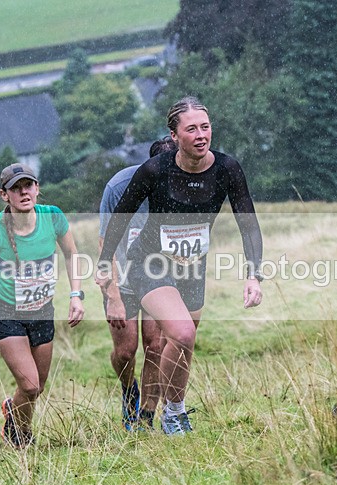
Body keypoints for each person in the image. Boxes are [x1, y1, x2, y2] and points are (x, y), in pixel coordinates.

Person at [97, 96, 264, 435]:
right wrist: (104, 266)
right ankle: (175, 414)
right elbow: (118, 220)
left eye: (205, 127)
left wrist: (253, 275)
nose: (201, 135)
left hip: (191, 266)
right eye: (191, 129)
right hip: (149, 263)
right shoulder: (154, 170)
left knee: (183, 344)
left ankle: (168, 411)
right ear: (174, 135)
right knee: (181, 332)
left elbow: (248, 223)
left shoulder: (227, 169)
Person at [0, 163, 84, 449]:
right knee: (30, 385)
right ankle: (20, 438)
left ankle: (17, 430)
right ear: (4, 195)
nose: (24, 192)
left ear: (37, 188)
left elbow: (72, 254)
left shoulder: (53, 217)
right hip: (5, 311)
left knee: (38, 387)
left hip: (42, 310)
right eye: (16, 188)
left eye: (29, 185)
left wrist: (76, 295)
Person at [99, 137, 175, 431]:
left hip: (158, 277)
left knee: (155, 346)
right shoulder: (119, 187)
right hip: (122, 275)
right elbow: (106, 244)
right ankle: (129, 391)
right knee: (126, 350)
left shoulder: (182, 190)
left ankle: (146, 415)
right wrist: (113, 295)